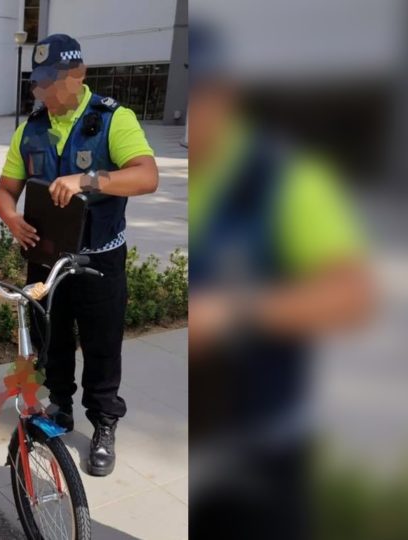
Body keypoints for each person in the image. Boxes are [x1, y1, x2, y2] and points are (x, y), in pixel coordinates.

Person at [186, 24, 372, 540]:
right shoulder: (194, 179)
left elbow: (352, 296)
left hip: (268, 445)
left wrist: (237, 313)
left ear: (226, 96)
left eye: (201, 96)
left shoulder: (286, 177)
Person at [0, 34, 159, 477]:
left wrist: (88, 180)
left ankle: (104, 422)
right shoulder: (30, 129)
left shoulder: (112, 119)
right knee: (53, 339)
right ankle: (61, 407)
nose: (40, 91)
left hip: (99, 259)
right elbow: (5, 192)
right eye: (37, 83)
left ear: (77, 76)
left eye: (49, 82)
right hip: (46, 258)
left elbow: (146, 176)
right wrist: (12, 220)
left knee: (102, 345)